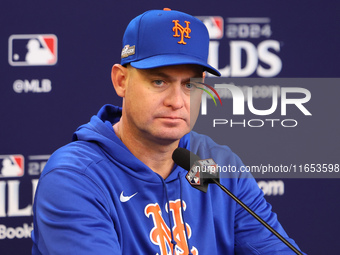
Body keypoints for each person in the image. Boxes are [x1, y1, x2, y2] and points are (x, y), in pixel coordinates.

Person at [32, 8, 305, 254]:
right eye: (159, 81)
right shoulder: (75, 177)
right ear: (121, 81)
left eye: (190, 85)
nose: (177, 101)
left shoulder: (218, 165)